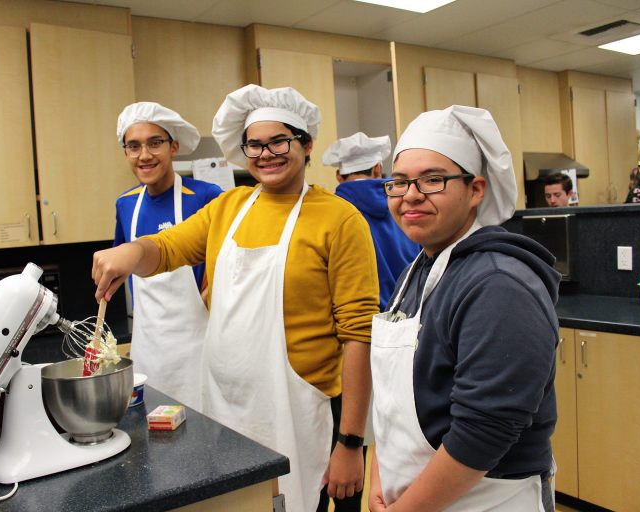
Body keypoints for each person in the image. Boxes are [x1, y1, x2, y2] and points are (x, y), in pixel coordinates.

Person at [93, 84, 378, 512]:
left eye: (279, 140)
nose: (266, 154)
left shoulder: (339, 218)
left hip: (299, 411)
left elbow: (359, 334)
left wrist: (351, 443)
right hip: (227, 410)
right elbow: (167, 247)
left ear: (306, 144)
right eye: (254, 144)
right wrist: (129, 252)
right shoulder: (229, 207)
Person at [369, 105, 560, 512]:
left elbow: (484, 431)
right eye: (399, 182)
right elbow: (390, 399)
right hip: (416, 497)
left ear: (475, 189)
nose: (411, 195)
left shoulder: (499, 284)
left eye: (433, 179)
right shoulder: (417, 271)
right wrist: (380, 477)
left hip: (486, 500)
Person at [113, 102, 222, 409]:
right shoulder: (125, 205)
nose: (144, 155)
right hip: (148, 346)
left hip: (198, 346)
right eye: (133, 146)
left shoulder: (205, 196)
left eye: (154, 143)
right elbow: (122, 265)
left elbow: (229, 263)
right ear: (126, 153)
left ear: (174, 147)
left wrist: (209, 296)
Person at [323, 132, 420, 311]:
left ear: (338, 175)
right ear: (377, 169)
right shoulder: (409, 206)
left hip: (361, 325)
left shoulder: (329, 213)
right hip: (413, 317)